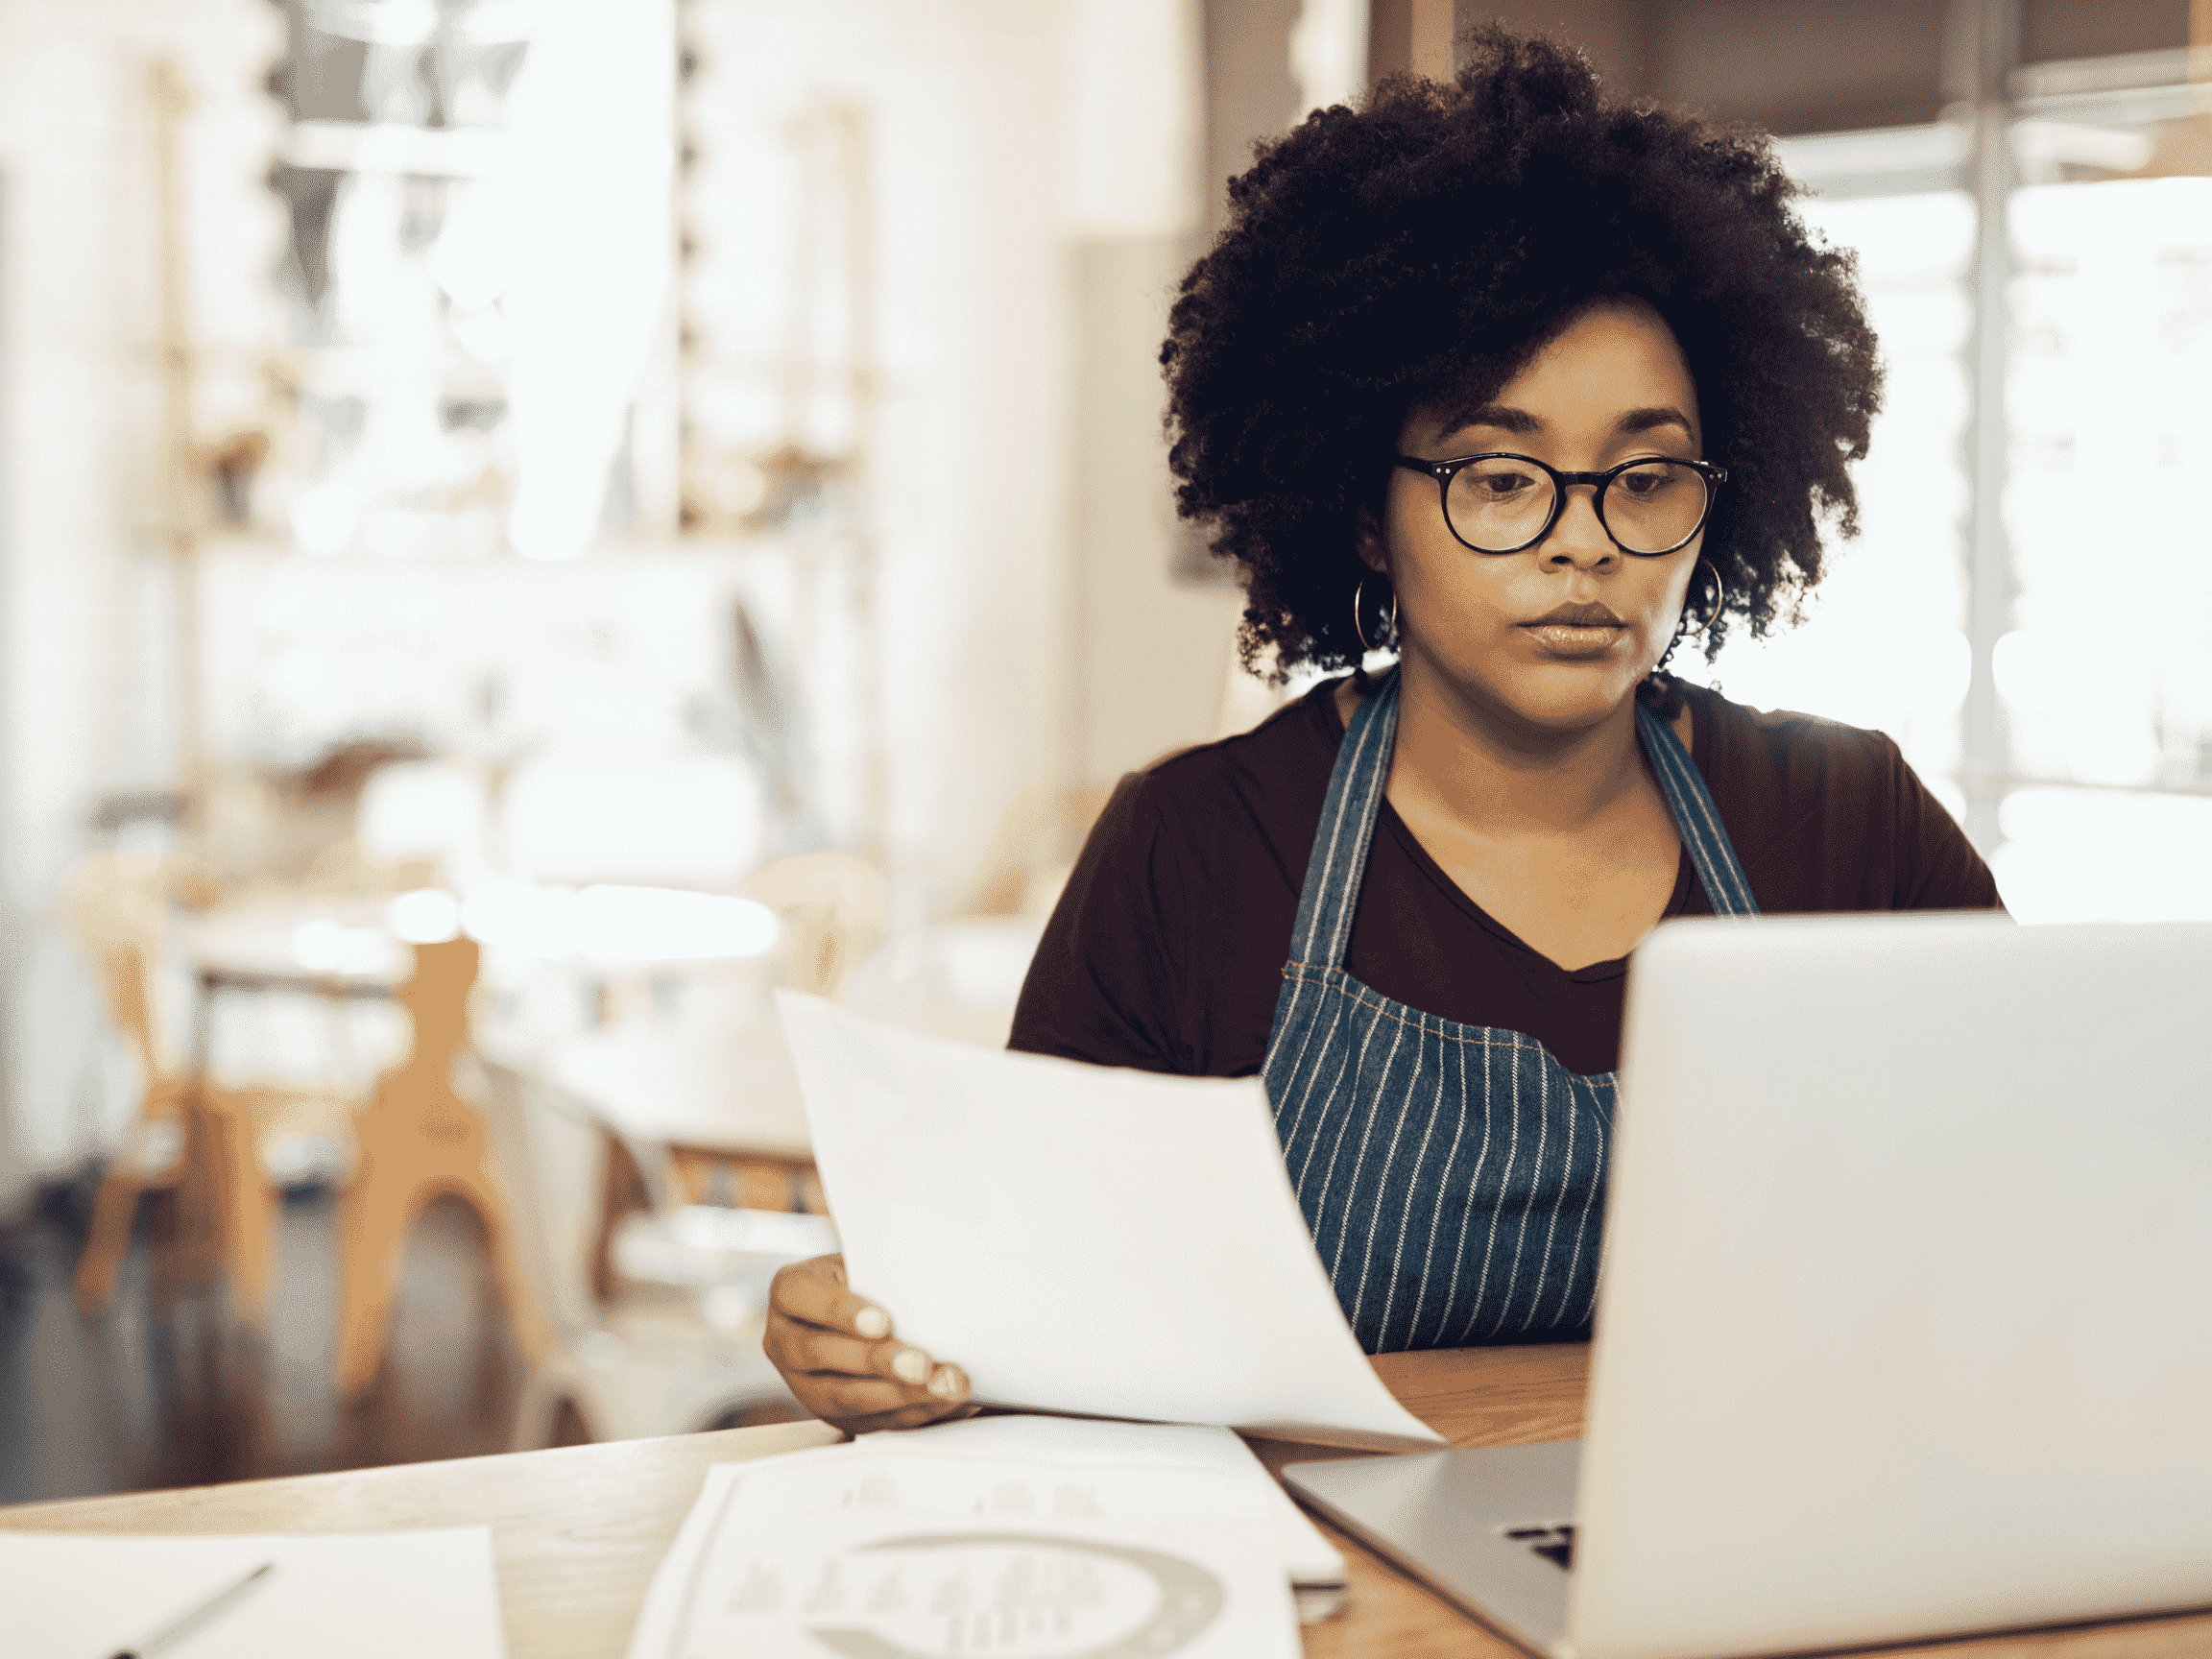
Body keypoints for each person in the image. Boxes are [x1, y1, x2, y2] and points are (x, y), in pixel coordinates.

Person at [764, 29, 2002, 1433]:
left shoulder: (1853, 822)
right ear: (1365, 507)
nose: (1581, 545)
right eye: (1497, 475)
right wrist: (893, 1348)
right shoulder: (1199, 850)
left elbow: (2034, 1231)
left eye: (1645, 478)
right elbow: (1030, 1330)